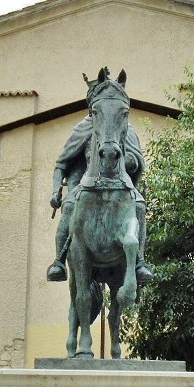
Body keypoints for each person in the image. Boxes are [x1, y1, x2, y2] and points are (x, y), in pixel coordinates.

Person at [46, 113, 153, 284]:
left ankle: (140, 261)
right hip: (89, 184)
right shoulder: (85, 126)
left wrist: (127, 159)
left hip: (120, 185)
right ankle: (59, 261)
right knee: (69, 207)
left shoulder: (126, 128)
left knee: (139, 206)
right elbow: (61, 164)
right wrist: (55, 192)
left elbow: (136, 164)